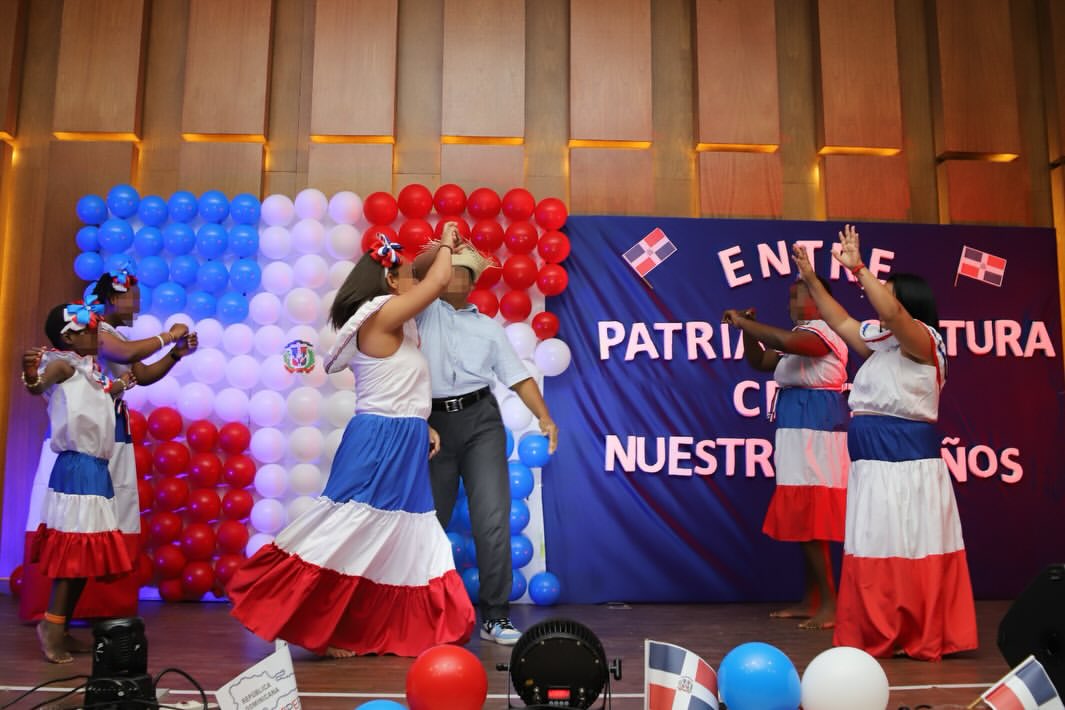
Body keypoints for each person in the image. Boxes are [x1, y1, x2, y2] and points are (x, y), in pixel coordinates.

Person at [228, 228, 475, 657]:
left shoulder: (391, 322)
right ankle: (300, 618)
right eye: (406, 276)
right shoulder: (381, 316)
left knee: (389, 537)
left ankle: (350, 628)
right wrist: (447, 243)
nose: (414, 282)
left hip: (401, 438)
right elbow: (437, 280)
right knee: (346, 530)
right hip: (380, 442)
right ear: (390, 282)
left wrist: (424, 425)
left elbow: (399, 388)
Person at [792, 224, 978, 661]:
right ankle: (880, 627)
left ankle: (914, 629)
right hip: (872, 461)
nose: (876, 302)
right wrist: (813, 280)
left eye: (885, 294)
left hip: (904, 463)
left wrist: (859, 268)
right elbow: (841, 321)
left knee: (906, 544)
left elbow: (893, 315)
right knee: (876, 544)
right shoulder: (883, 345)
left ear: (907, 303)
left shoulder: (923, 342)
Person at [21, 268, 196, 626]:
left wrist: (173, 356)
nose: (138, 307)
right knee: (77, 530)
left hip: (101, 446)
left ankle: (80, 614)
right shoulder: (80, 345)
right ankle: (55, 621)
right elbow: (39, 384)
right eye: (134, 299)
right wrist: (168, 336)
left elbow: (136, 376)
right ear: (114, 298)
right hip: (79, 450)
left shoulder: (97, 354)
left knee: (97, 528)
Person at [412, 240, 559, 646]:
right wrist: (444, 244)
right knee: (430, 520)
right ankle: (421, 613)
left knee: (492, 519)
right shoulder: (421, 312)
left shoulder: (488, 327)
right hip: (432, 423)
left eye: (462, 271)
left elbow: (518, 377)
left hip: (482, 421)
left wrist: (545, 417)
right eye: (448, 270)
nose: (453, 276)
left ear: (473, 282)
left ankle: (495, 617)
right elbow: (416, 271)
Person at [723, 276, 849, 631]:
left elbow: (784, 341)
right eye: (790, 296)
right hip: (798, 428)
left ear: (820, 300)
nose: (790, 302)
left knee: (812, 518)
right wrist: (748, 332)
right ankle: (812, 600)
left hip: (817, 429)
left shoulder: (822, 332)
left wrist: (745, 322)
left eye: (799, 295)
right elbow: (761, 360)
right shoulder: (801, 337)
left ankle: (830, 604)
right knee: (803, 517)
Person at [22, 298, 137, 663]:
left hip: (97, 470)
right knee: (74, 555)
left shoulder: (92, 372)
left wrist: (119, 386)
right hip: (77, 468)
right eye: (88, 329)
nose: (96, 333)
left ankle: (60, 625)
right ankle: (52, 628)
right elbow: (37, 386)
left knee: (86, 556)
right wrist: (30, 376)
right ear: (69, 337)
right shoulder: (62, 365)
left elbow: (96, 400)